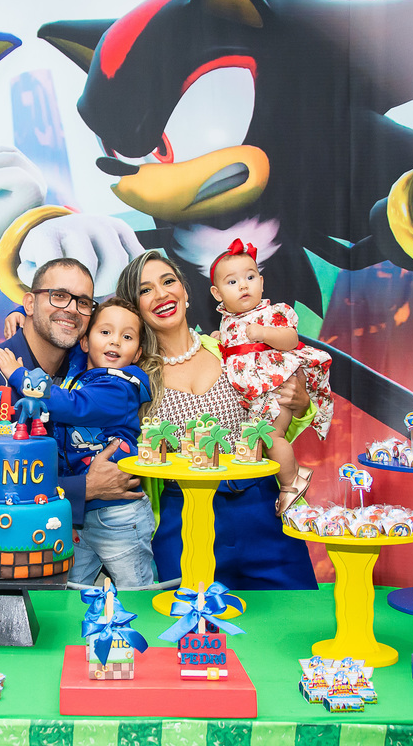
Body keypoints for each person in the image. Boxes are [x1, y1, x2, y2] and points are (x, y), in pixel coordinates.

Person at [115, 249, 319, 590]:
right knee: (188, 621)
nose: (161, 294)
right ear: (133, 307)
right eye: (145, 289)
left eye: (168, 281)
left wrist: (300, 404)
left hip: (261, 509)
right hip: (182, 522)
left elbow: (277, 422)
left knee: (290, 614)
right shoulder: (134, 377)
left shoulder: (230, 348)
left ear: (185, 290)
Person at [0, 257, 146, 571]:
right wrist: (86, 487)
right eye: (58, 295)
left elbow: (122, 328)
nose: (71, 309)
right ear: (30, 302)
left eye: (83, 302)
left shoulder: (87, 367)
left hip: (76, 546)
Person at [0, 298, 157, 587]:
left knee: (135, 588)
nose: (115, 341)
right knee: (71, 587)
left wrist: (19, 377)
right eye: (105, 332)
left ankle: (140, 619)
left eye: (127, 337)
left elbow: (73, 405)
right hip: (80, 511)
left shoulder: (120, 387)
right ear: (85, 342)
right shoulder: (81, 369)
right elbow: (59, 328)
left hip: (118, 513)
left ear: (137, 353)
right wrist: (23, 313)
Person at [208, 238, 334, 515]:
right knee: (260, 441)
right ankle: (294, 474)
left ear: (262, 282)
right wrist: (220, 339)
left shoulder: (271, 313)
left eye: (250, 277)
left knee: (272, 437)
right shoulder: (228, 321)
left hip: (277, 387)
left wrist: (265, 333)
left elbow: (291, 340)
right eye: (232, 282)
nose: (243, 286)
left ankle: (291, 483)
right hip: (257, 396)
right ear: (217, 294)